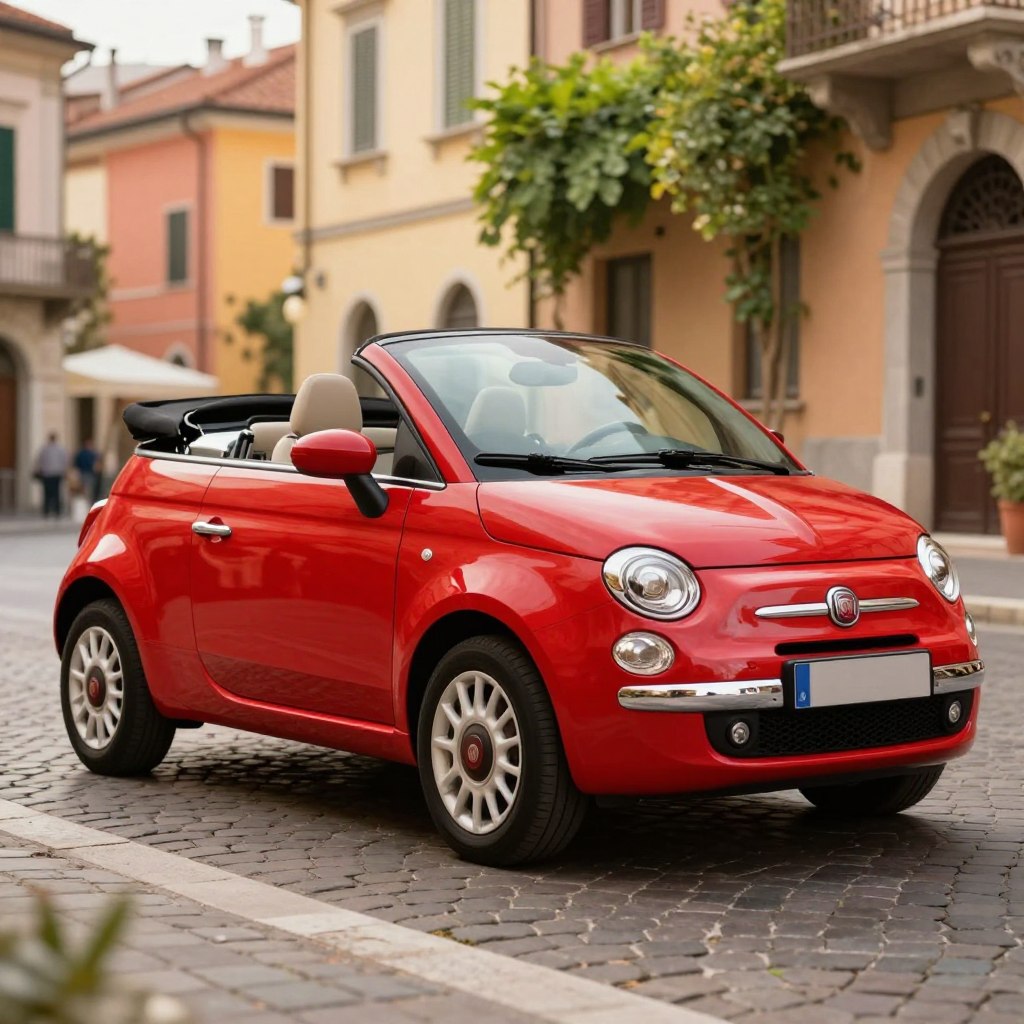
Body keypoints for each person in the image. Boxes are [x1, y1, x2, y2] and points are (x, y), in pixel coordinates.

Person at [35, 432, 68, 518]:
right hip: (55, 473)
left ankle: (48, 511)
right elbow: (65, 461)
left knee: (48, 493)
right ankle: (55, 511)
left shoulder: (45, 449)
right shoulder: (59, 449)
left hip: (48, 474)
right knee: (55, 493)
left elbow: (39, 461)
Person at [73, 438, 100, 503]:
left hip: (86, 472)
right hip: (88, 472)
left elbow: (76, 463)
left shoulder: (81, 453)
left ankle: (87, 499)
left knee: (86, 487)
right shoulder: (92, 453)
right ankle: (88, 500)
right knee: (88, 487)